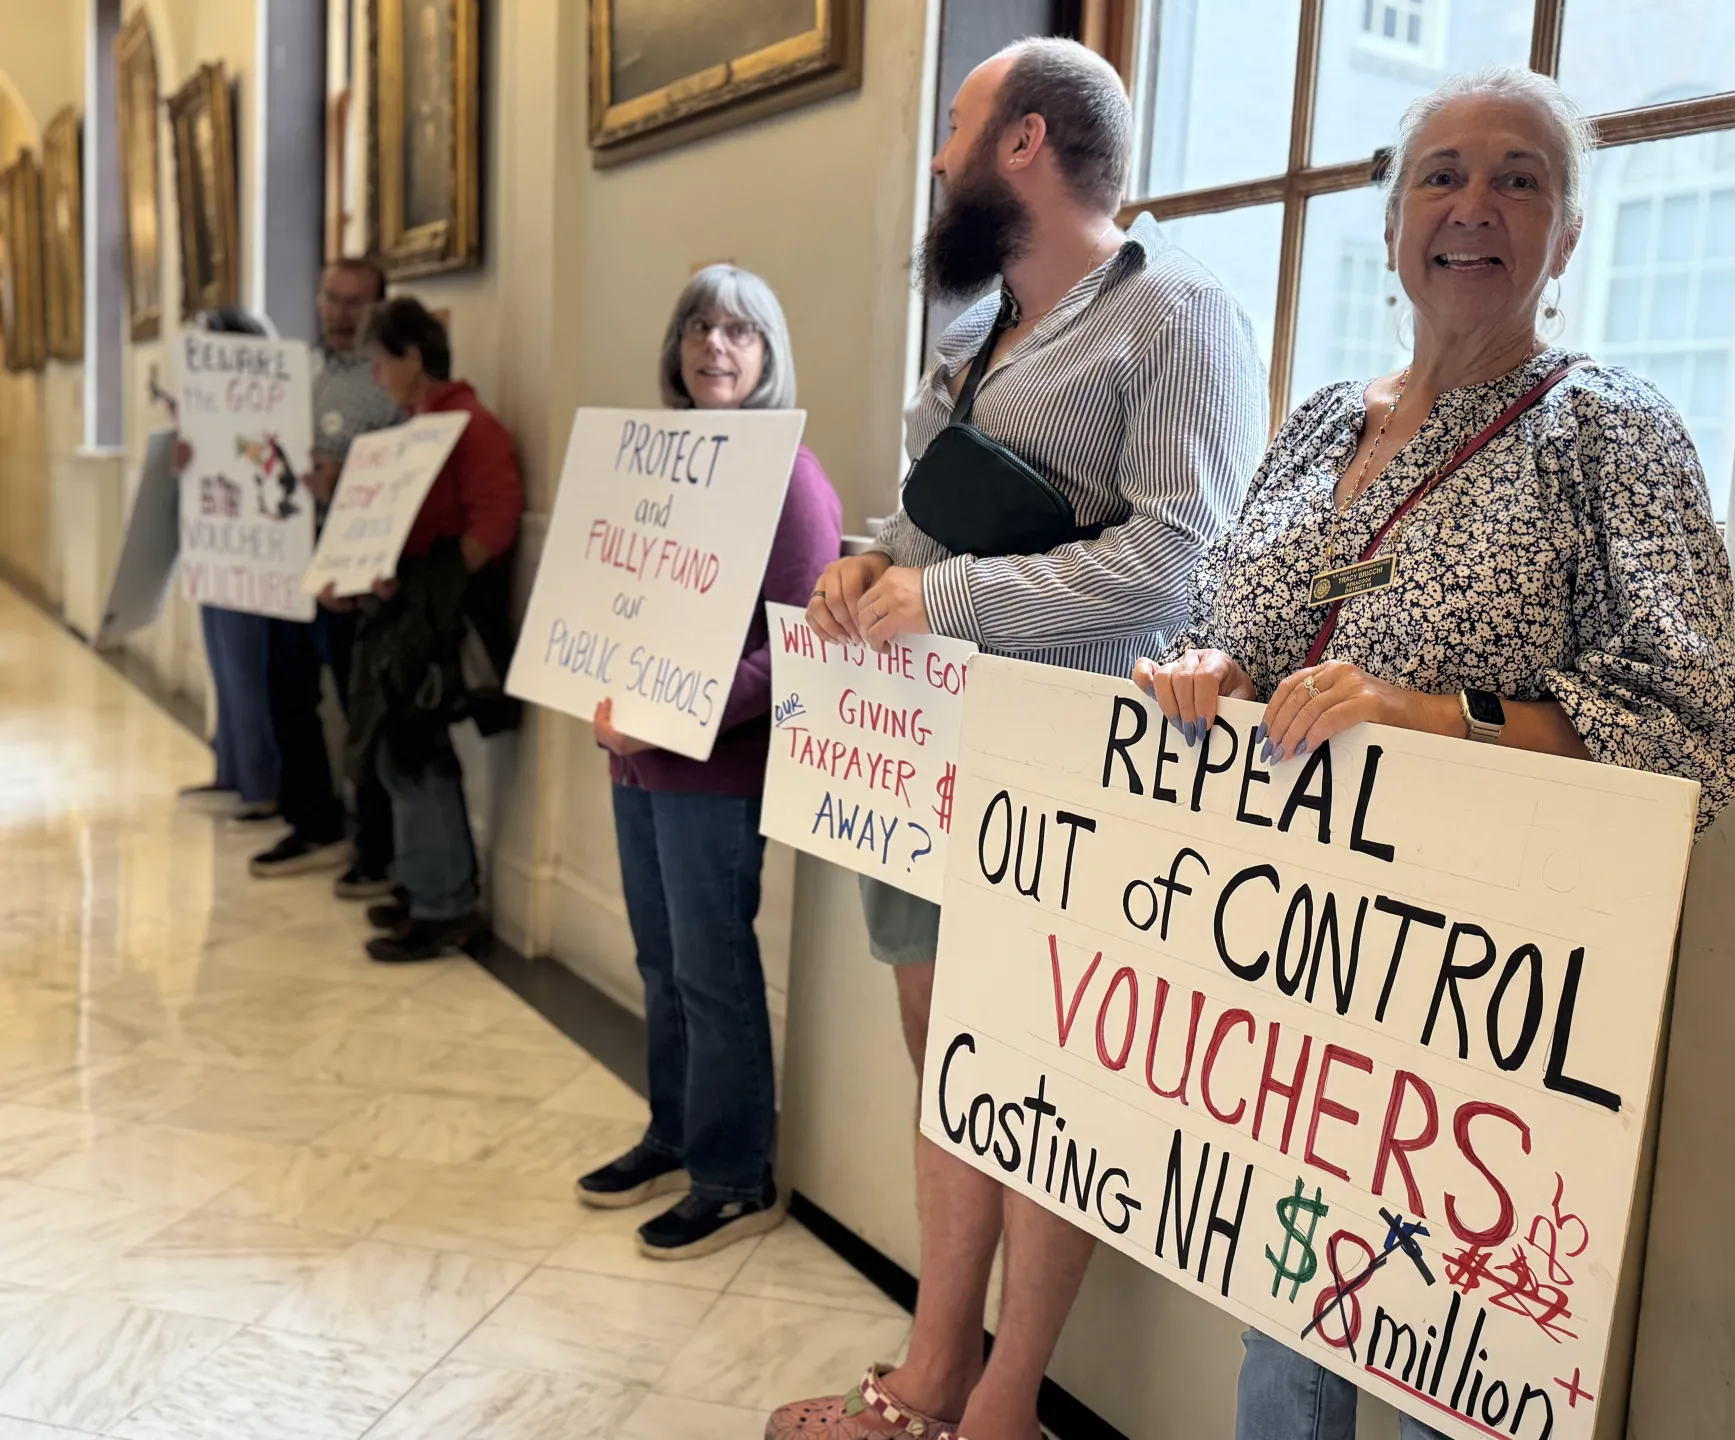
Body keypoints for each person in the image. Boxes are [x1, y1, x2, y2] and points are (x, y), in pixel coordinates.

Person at [1133, 68, 1735, 1440]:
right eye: (1443, 174)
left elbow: (1692, 739)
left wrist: (1436, 716)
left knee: (1448, 1375)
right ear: (1394, 217)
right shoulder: (1318, 422)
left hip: (1480, 997)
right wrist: (1214, 670)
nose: (1475, 205)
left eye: (1521, 177)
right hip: (1294, 964)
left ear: (1570, 231)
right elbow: (1238, 617)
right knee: (1286, 1339)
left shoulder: (1611, 430)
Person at [771, 38, 1268, 1440]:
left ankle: (1002, 1403)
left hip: (1076, 771)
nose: (936, 160)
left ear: (1027, 145)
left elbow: (1184, 565)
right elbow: (926, 529)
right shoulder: (972, 334)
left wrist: (940, 596)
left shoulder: (1180, 311)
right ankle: (927, 1371)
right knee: (950, 1063)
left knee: (1049, 1079)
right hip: (928, 756)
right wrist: (866, 568)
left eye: (954, 130)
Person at [574, 266, 842, 1258]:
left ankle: (734, 1176)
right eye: (697, 325)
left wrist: (676, 715)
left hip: (715, 771)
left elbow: (799, 641)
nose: (713, 346)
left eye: (738, 331)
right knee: (660, 964)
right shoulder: (654, 466)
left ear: (767, 356)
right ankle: (675, 1132)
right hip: (636, 765)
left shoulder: (791, 478)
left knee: (712, 973)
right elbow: (612, 598)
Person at [343, 297, 523, 964]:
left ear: (414, 358)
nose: (375, 376)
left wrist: (433, 586)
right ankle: (428, 885)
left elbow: (497, 517)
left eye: (381, 361)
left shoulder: (469, 426)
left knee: (414, 749)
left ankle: (444, 902)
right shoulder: (421, 424)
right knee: (402, 750)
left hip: (439, 617)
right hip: (408, 606)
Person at [249, 257, 407, 883]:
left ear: (378, 306)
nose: (340, 313)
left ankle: (377, 848)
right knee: (287, 697)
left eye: (355, 302)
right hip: (288, 565)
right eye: (331, 299)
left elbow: (403, 466)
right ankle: (310, 822)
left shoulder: (385, 383)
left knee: (362, 711)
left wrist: (346, 477)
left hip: (350, 573)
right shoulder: (296, 373)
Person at [175, 306, 283, 823]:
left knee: (246, 668)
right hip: (214, 547)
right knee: (221, 663)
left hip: (254, 552)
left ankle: (262, 783)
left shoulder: (268, 407)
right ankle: (231, 768)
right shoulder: (207, 409)